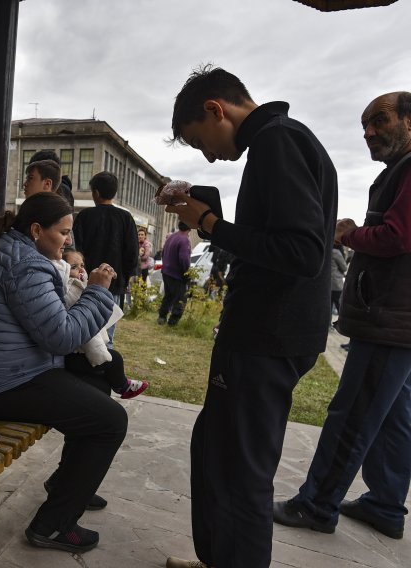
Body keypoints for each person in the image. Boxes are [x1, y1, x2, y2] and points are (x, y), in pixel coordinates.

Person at [162, 65, 337, 568]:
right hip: (270, 332)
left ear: (217, 109)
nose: (209, 154)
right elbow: (272, 231)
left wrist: (209, 223)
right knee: (216, 450)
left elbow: (302, 251)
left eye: (201, 141)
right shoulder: (282, 141)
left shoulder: (276, 143)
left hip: (266, 335)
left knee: (240, 472)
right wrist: (203, 204)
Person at [273, 91, 411, 542]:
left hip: (389, 320)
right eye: (364, 125)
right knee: (392, 415)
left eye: (380, 120)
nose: (370, 132)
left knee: (353, 412)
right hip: (396, 320)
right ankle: (386, 504)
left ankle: (317, 503)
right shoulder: (396, 173)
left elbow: (396, 236)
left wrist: (351, 233)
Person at [0, 192, 127, 554]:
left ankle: (68, 482)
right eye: (63, 233)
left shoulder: (19, 254)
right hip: (2, 384)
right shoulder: (23, 264)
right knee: (110, 421)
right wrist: (97, 292)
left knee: (98, 380)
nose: (68, 241)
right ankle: (53, 525)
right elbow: (61, 336)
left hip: (15, 369)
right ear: (36, 230)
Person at [59, 249, 148, 399]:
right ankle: (123, 386)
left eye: (82, 265)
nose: (81, 270)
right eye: (74, 267)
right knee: (114, 359)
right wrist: (99, 353)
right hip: (75, 354)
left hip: (79, 351)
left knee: (104, 384)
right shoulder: (69, 290)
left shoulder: (80, 284)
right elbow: (85, 325)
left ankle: (120, 385)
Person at [73, 171, 139, 318]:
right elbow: (132, 253)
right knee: (108, 332)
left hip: (87, 282)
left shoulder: (84, 216)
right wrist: (125, 278)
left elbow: (76, 249)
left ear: (95, 193)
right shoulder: (125, 217)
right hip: (114, 284)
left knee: (85, 325)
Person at [157, 222, 192, 326]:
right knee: (180, 298)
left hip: (166, 271)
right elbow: (184, 259)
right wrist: (187, 273)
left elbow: (163, 253)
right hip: (177, 274)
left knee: (168, 296)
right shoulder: (184, 239)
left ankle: (162, 317)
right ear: (190, 227)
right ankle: (172, 322)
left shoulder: (172, 236)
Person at [329, 243, 347, 318]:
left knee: (328, 305)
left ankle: (328, 325)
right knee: (339, 304)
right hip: (336, 283)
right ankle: (342, 323)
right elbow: (344, 267)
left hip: (327, 283)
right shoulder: (336, 252)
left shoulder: (328, 251)